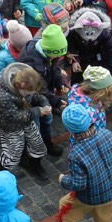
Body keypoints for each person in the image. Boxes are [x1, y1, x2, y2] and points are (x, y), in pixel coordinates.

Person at [49, 104, 112, 222]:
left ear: (70, 130)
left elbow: (79, 184)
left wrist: (64, 179)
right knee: (107, 220)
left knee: (65, 210)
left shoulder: (75, 154)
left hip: (90, 197)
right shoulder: (107, 133)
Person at [17, 24, 69, 157]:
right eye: (57, 55)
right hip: (31, 98)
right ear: (49, 51)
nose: (59, 57)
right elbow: (38, 86)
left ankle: (46, 141)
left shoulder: (50, 53)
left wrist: (60, 83)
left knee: (47, 119)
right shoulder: (30, 62)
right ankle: (30, 152)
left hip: (44, 94)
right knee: (35, 126)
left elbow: (55, 69)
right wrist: (56, 101)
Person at [0, 63, 48, 180]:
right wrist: (37, 111)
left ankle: (34, 165)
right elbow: (14, 116)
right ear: (19, 85)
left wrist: (44, 102)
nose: (30, 94)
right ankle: (0, 177)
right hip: (10, 126)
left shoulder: (27, 85)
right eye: (28, 92)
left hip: (27, 120)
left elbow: (35, 95)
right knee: (13, 153)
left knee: (37, 144)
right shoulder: (4, 96)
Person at [67, 8, 112, 83]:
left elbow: (109, 52)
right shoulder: (73, 33)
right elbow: (70, 47)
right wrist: (75, 61)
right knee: (78, 80)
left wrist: (106, 69)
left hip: (98, 61)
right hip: (80, 60)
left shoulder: (104, 35)